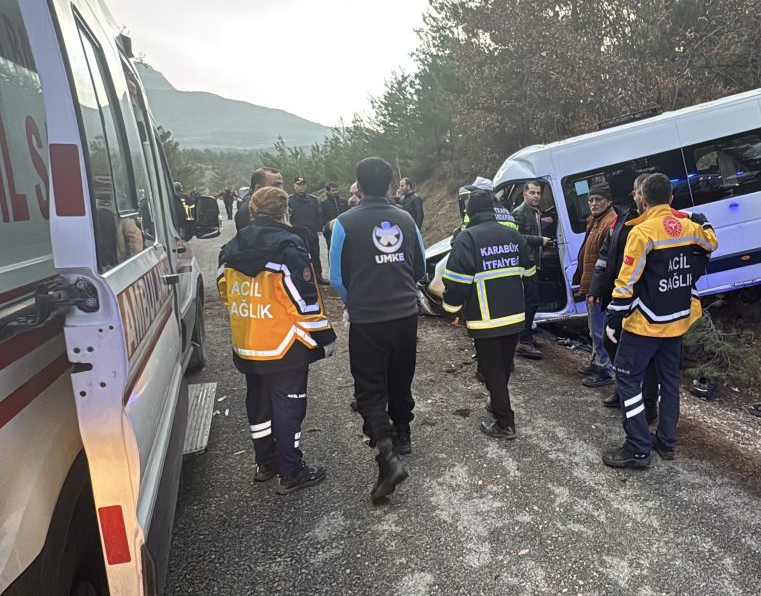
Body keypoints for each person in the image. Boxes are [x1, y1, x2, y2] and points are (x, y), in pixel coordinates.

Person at [216, 187, 335, 495]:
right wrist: (324, 335)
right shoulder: (289, 244)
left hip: (248, 343)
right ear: (285, 212)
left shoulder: (230, 247)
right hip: (285, 345)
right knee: (288, 407)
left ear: (252, 211)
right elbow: (303, 299)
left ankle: (265, 463)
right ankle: (292, 472)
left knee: (258, 404)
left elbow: (224, 291)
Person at [602, 173, 717, 469]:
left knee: (628, 380)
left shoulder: (642, 233)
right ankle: (666, 442)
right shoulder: (689, 227)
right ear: (671, 199)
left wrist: (614, 317)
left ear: (642, 199)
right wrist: (698, 216)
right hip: (677, 321)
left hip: (645, 324)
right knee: (670, 384)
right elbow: (711, 242)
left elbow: (626, 282)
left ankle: (638, 447)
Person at [330, 157, 426, 504]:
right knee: (401, 377)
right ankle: (403, 434)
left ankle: (387, 454)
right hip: (405, 315)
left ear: (357, 184)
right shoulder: (406, 219)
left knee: (370, 388)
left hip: (367, 319)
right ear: (389, 184)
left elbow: (336, 277)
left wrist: (356, 301)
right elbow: (421, 266)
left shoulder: (343, 223)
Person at [441, 190, 535, 439]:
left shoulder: (467, 239)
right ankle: (497, 404)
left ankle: (505, 423)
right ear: (494, 210)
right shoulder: (514, 235)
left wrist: (450, 311)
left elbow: (455, 283)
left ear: (469, 212)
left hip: (486, 319)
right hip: (514, 316)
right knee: (502, 366)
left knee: (491, 369)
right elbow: (530, 274)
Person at [591, 174, 658, 423]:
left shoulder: (652, 225)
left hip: (641, 301)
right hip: (617, 294)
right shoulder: (623, 218)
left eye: (638, 192)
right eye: (633, 192)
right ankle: (622, 392)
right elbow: (605, 254)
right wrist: (596, 289)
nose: (636, 196)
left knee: (645, 360)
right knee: (614, 346)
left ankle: (648, 407)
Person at [572, 183, 616, 387]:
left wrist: (597, 289)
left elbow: (607, 261)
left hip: (600, 289)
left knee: (600, 330)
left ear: (609, 201)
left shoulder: (610, 223)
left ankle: (606, 370)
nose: (594, 203)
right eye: (591, 200)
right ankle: (596, 361)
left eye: (599, 199)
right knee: (593, 329)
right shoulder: (595, 221)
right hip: (592, 285)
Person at [511, 181, 553, 360]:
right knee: (530, 302)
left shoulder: (535, 212)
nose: (536, 196)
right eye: (532, 193)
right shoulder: (519, 213)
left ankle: (527, 335)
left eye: (538, 193)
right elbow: (516, 237)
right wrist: (539, 240)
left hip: (533, 263)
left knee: (533, 302)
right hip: (524, 266)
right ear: (524, 194)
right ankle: (524, 342)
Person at [288, 176, 327, 285]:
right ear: (294, 186)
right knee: (299, 256)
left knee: (315, 255)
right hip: (297, 233)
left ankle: (318, 276)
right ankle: (302, 278)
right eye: (299, 185)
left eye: (303, 184)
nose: (302, 187)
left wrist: (319, 228)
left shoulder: (313, 200)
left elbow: (319, 214)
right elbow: (287, 217)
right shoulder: (289, 201)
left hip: (311, 232)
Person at [321, 181, 349, 251]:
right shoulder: (323, 203)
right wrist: (329, 226)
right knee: (333, 250)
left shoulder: (344, 201)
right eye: (333, 190)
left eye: (336, 190)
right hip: (331, 231)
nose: (335, 192)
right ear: (328, 191)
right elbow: (322, 217)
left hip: (344, 230)